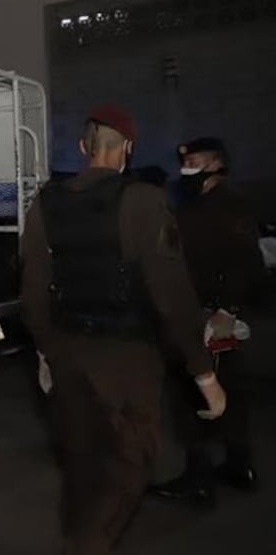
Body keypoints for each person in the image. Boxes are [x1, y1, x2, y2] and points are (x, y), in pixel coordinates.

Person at [20, 105, 226, 554]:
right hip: (128, 360)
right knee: (130, 468)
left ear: (82, 147)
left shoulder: (45, 202)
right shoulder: (143, 201)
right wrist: (203, 373)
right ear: (128, 151)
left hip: (69, 355)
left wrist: (46, 353)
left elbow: (32, 292)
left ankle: (82, 540)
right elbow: (172, 293)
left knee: (83, 469)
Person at [150, 137, 266, 505]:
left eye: (195, 160)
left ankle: (199, 477)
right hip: (202, 312)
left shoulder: (229, 205)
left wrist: (227, 310)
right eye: (184, 161)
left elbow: (247, 261)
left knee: (191, 393)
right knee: (226, 389)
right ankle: (238, 465)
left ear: (216, 164)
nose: (186, 168)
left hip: (209, 316)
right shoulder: (197, 205)